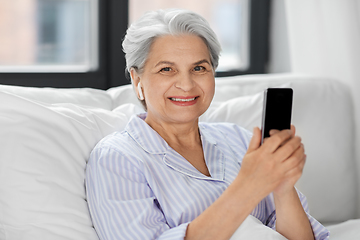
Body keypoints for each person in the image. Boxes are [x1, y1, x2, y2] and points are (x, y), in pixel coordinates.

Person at [85, 9, 329, 240]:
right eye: (167, 69)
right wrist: (249, 186)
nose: (187, 84)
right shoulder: (116, 158)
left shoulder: (239, 140)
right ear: (137, 79)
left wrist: (284, 188)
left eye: (199, 68)